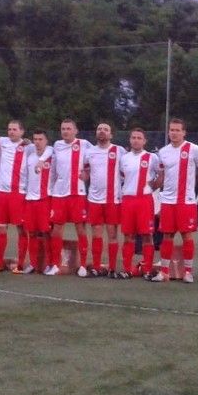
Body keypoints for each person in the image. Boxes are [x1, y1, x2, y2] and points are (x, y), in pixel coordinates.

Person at [150, 118, 198, 283]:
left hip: (186, 201)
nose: (174, 133)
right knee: (167, 235)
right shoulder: (163, 152)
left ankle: (188, 272)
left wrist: (189, 187)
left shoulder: (193, 149)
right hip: (168, 200)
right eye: (171, 130)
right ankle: (164, 272)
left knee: (187, 235)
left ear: (184, 132)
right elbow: (161, 175)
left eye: (177, 130)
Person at [48, 119, 92, 276]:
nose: (65, 131)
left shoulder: (85, 144)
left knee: (80, 228)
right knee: (56, 229)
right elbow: (52, 169)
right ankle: (55, 264)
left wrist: (87, 173)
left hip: (77, 193)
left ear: (76, 131)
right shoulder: (57, 145)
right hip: (59, 194)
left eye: (68, 128)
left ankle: (83, 265)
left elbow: (95, 160)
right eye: (63, 129)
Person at [82, 122, 123, 276]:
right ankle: (97, 267)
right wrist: (82, 176)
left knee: (112, 234)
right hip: (94, 199)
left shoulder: (119, 151)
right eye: (99, 129)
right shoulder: (89, 152)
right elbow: (86, 173)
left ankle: (112, 268)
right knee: (96, 234)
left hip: (113, 200)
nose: (102, 132)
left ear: (111, 135)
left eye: (105, 130)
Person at [0, 120, 29, 273]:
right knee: (0, 227)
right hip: (2, 192)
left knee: (21, 228)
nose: (11, 132)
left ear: (22, 131)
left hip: (18, 192)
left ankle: (20, 264)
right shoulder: (2, 142)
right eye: (9, 129)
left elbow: (46, 150)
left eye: (14, 129)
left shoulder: (28, 147)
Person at [118, 128, 158, 278]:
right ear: (130, 140)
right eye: (133, 137)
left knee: (147, 235)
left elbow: (160, 175)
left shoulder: (152, 158)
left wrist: (153, 186)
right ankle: (127, 269)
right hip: (128, 200)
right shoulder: (124, 159)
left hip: (144, 200)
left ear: (144, 141)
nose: (136, 140)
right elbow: (123, 176)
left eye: (139, 138)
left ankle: (147, 269)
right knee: (128, 235)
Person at [18, 129, 54, 275]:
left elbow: (51, 150)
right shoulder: (30, 156)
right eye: (35, 139)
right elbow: (25, 176)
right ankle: (33, 263)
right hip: (30, 200)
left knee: (46, 233)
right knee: (31, 233)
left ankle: (51, 263)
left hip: (45, 199)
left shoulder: (52, 156)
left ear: (46, 141)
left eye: (41, 139)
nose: (37, 142)